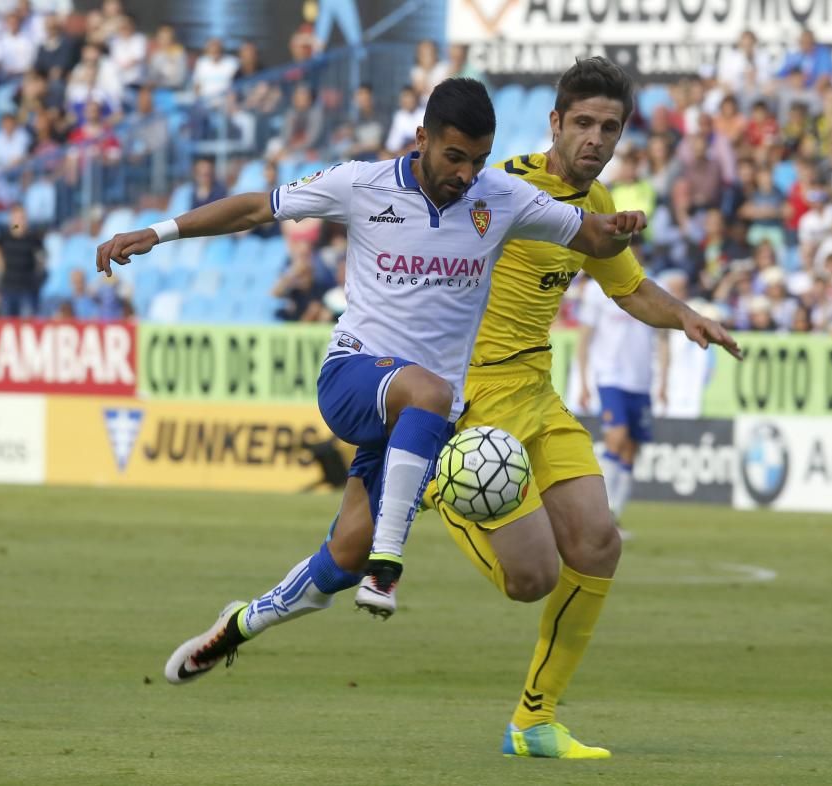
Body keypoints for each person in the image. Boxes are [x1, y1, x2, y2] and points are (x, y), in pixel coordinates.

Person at [93, 76, 646, 724]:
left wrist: (620, 228)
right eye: (454, 157)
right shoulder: (361, 184)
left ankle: (240, 623)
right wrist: (156, 233)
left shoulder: (502, 197)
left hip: (424, 416)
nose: (466, 174)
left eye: (477, 159)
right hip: (356, 375)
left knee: (340, 560)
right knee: (429, 393)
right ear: (422, 141)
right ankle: (390, 563)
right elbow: (253, 209)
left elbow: (594, 237)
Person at [418, 57, 739, 760]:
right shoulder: (498, 189)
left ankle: (534, 720)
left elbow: (627, 288)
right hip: (475, 400)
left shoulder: (597, 206)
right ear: (555, 123)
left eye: (610, 128)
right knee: (530, 581)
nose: (596, 139)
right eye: (584, 123)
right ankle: (431, 479)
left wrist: (686, 317)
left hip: (537, 392)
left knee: (598, 542)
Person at [576, 263, 659, 526]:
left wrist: (664, 380)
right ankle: (600, 511)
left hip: (641, 381)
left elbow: (663, 339)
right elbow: (584, 338)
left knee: (631, 448)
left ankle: (614, 516)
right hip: (610, 377)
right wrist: (583, 382)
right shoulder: (594, 290)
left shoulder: (650, 285)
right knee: (616, 437)